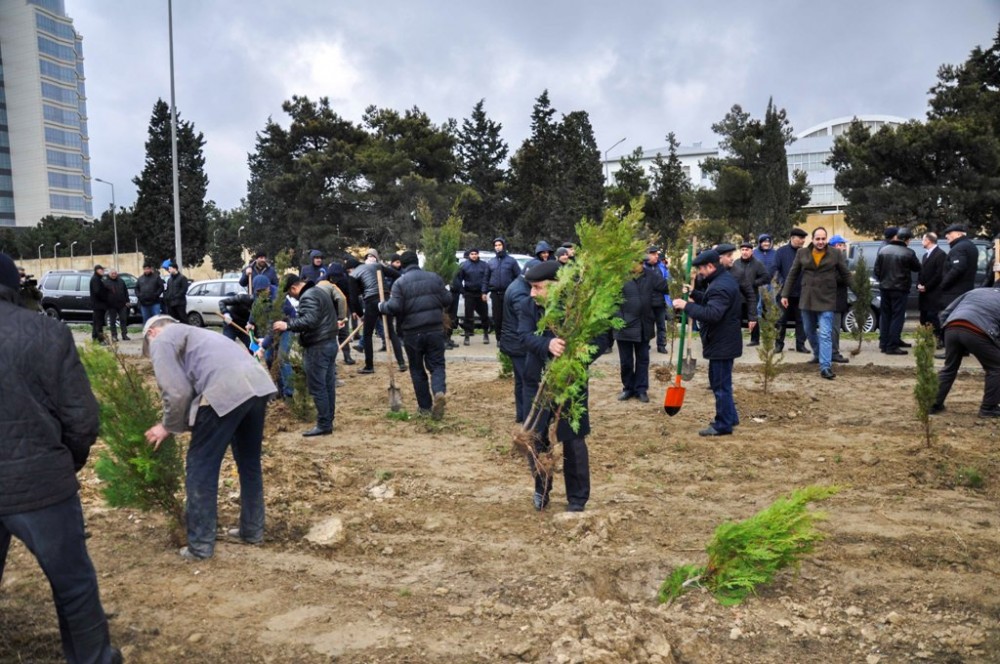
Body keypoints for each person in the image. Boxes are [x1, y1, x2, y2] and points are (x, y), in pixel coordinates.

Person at [0, 253, 123, 664]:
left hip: (38, 475)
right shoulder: (46, 332)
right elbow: (82, 418)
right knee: (73, 585)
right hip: (40, 483)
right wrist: (64, 461)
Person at [143, 315, 276, 559]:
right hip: (257, 385)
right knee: (249, 464)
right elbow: (192, 382)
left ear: (152, 333)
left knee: (200, 467)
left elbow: (177, 391)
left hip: (224, 390)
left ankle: (201, 546)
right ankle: (252, 531)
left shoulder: (161, 340)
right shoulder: (199, 334)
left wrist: (167, 426)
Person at [518, 260, 610, 511]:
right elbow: (524, 335)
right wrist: (546, 345)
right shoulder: (529, 306)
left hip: (571, 382)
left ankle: (577, 499)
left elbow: (603, 337)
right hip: (536, 381)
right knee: (536, 440)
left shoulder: (580, 308)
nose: (532, 293)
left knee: (574, 440)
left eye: (537, 287)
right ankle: (541, 489)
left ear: (556, 285)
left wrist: (582, 354)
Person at [672, 249, 742, 436]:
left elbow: (712, 314)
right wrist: (695, 293)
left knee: (720, 384)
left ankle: (723, 424)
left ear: (710, 266)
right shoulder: (720, 281)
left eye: (701, 270)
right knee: (721, 382)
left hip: (722, 343)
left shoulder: (720, 286)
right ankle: (731, 416)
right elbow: (712, 301)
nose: (699, 274)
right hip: (723, 341)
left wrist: (686, 306)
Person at [379, 251, 451, 419]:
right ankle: (439, 392)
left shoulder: (400, 283)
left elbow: (394, 307)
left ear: (402, 265)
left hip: (412, 332)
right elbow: (447, 299)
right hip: (434, 329)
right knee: (437, 365)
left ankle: (424, 408)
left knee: (417, 370)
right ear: (417, 261)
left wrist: (381, 306)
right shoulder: (434, 278)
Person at [273, 275, 342, 436]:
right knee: (327, 384)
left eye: (290, 294)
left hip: (318, 346)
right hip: (329, 342)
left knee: (318, 386)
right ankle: (327, 419)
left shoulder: (308, 296)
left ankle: (324, 424)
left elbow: (309, 321)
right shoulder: (318, 291)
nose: (292, 297)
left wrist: (287, 325)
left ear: (294, 288)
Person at [781, 227, 850, 380]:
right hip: (807, 298)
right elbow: (792, 274)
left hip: (827, 298)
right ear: (812, 240)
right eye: (817, 239)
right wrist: (785, 294)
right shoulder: (802, 253)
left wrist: (859, 292)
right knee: (809, 330)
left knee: (825, 333)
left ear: (826, 239)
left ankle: (825, 367)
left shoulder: (835, 253)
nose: (820, 242)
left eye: (823, 239)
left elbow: (845, 274)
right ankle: (819, 354)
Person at [930, 283, 1000, 418]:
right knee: (997, 367)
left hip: (952, 326)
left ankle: (933, 404)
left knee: (949, 368)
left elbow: (945, 312)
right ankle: (988, 408)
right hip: (977, 330)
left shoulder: (975, 292)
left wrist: (943, 335)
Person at [616, 257, 670, 403]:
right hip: (624, 327)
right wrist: (619, 319)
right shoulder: (619, 276)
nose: (639, 265)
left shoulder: (650, 276)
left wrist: (684, 279)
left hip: (644, 325)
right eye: (635, 262)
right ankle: (628, 388)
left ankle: (641, 389)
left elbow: (665, 286)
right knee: (626, 361)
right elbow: (612, 301)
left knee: (643, 360)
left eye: (641, 263)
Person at [350, 255, 404, 373]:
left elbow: (353, 298)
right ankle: (401, 363)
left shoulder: (353, 275)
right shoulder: (377, 266)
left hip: (371, 301)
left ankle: (369, 366)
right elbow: (397, 275)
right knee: (391, 331)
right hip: (386, 298)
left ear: (350, 268)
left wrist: (361, 315)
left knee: (367, 334)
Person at [874, 227, 920, 355]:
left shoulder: (883, 250)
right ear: (906, 239)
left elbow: (877, 271)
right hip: (900, 289)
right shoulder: (908, 252)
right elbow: (917, 267)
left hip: (884, 288)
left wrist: (884, 279)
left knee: (886, 316)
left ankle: (884, 344)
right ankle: (892, 346)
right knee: (897, 317)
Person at [499, 273, 532, 423]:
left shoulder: (518, 285)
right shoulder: (520, 291)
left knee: (521, 380)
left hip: (514, 340)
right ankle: (527, 416)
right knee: (527, 381)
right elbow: (524, 318)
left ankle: (522, 415)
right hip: (518, 343)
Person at [772, 228, 809, 353]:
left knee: (802, 320)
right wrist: (782, 283)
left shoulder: (806, 252)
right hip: (784, 294)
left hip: (802, 293)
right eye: (800, 238)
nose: (803, 241)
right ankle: (778, 344)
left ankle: (800, 345)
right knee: (781, 320)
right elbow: (775, 270)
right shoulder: (781, 252)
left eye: (804, 238)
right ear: (792, 238)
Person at [718, 242, 760, 343]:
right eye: (729, 256)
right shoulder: (709, 271)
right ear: (719, 258)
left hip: (733, 314)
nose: (732, 258)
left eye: (732, 255)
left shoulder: (737, 272)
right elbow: (701, 290)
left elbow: (750, 295)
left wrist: (752, 317)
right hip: (715, 315)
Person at [731, 241, 769, 346]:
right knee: (736, 318)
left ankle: (755, 339)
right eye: (742, 250)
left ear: (751, 251)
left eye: (747, 250)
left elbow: (766, 277)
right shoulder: (736, 263)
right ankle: (735, 339)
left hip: (752, 295)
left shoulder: (757, 263)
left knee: (752, 317)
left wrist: (754, 283)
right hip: (738, 296)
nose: (744, 252)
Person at [220, 275, 271, 349]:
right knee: (228, 346)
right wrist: (226, 313)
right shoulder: (242, 298)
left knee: (253, 348)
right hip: (231, 324)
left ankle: (253, 358)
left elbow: (258, 325)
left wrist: (260, 337)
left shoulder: (262, 307)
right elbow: (222, 302)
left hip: (245, 327)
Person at [486, 237, 522, 342]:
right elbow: (486, 278)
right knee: (497, 318)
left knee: (509, 317)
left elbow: (518, 276)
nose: (497, 247)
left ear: (504, 246)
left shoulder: (511, 261)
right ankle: (499, 339)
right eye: (496, 245)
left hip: (508, 293)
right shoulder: (491, 262)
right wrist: (484, 291)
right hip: (495, 294)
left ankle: (509, 337)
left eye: (499, 245)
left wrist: (517, 290)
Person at [938, 223, 980, 311]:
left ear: (958, 234)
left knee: (950, 320)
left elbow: (958, 268)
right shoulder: (971, 246)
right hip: (964, 292)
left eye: (949, 233)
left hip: (954, 294)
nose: (946, 236)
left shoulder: (959, 247)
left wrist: (943, 284)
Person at [917, 232, 947, 348]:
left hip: (934, 293)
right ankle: (927, 339)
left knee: (932, 317)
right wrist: (919, 284)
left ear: (928, 240)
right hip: (924, 293)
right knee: (923, 317)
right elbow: (921, 272)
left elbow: (939, 275)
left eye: (923, 239)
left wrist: (927, 286)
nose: (921, 242)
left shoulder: (941, 254)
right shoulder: (925, 255)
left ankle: (939, 339)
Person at [457, 248, 490, 345]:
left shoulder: (484, 265)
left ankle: (485, 334)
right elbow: (458, 280)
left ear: (478, 254)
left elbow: (487, 279)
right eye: (472, 254)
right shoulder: (464, 265)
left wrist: (485, 291)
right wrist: (463, 292)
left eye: (476, 254)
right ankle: (467, 336)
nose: (474, 255)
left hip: (481, 294)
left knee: (484, 315)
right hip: (469, 293)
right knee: (468, 316)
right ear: (469, 255)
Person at [750, 233, 778, 346]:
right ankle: (754, 339)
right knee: (756, 311)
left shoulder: (775, 253)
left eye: (768, 241)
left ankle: (770, 337)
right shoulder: (755, 253)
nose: (766, 244)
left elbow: (778, 268)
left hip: (771, 286)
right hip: (758, 286)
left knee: (770, 312)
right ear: (760, 243)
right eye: (763, 241)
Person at [828, 235, 851, 363]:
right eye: (843, 244)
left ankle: (830, 351)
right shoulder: (837, 258)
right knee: (834, 327)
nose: (845, 247)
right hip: (835, 298)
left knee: (831, 327)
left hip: (833, 297)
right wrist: (848, 277)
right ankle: (833, 352)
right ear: (837, 246)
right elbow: (835, 277)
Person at [644, 246, 671, 354]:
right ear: (647, 255)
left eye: (657, 254)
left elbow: (668, 281)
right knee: (647, 325)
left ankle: (661, 345)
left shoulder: (662, 267)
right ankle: (646, 344)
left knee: (661, 325)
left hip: (660, 302)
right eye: (654, 254)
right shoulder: (642, 267)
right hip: (647, 302)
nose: (656, 256)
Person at [104, 269, 131, 342]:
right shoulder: (106, 282)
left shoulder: (121, 281)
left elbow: (126, 291)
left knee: (123, 320)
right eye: (112, 273)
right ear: (109, 274)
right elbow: (103, 294)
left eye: (115, 273)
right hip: (111, 305)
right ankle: (114, 336)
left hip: (122, 304)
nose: (114, 274)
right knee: (112, 321)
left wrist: (127, 301)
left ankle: (124, 335)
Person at [89, 264, 108, 343]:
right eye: (101, 270)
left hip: (98, 304)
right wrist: (105, 297)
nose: (102, 271)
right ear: (97, 271)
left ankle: (95, 338)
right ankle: (100, 340)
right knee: (99, 323)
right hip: (98, 305)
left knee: (96, 322)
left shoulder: (98, 279)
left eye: (103, 270)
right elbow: (98, 292)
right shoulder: (95, 279)